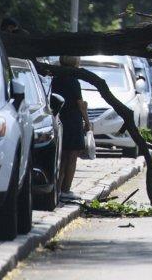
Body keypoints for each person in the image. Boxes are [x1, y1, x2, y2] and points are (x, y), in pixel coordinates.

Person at [50, 55, 90, 202]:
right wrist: (87, 121)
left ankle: (59, 187)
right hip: (73, 120)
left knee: (62, 155)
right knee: (72, 156)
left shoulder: (56, 78)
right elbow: (80, 104)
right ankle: (66, 189)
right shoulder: (73, 80)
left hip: (60, 119)